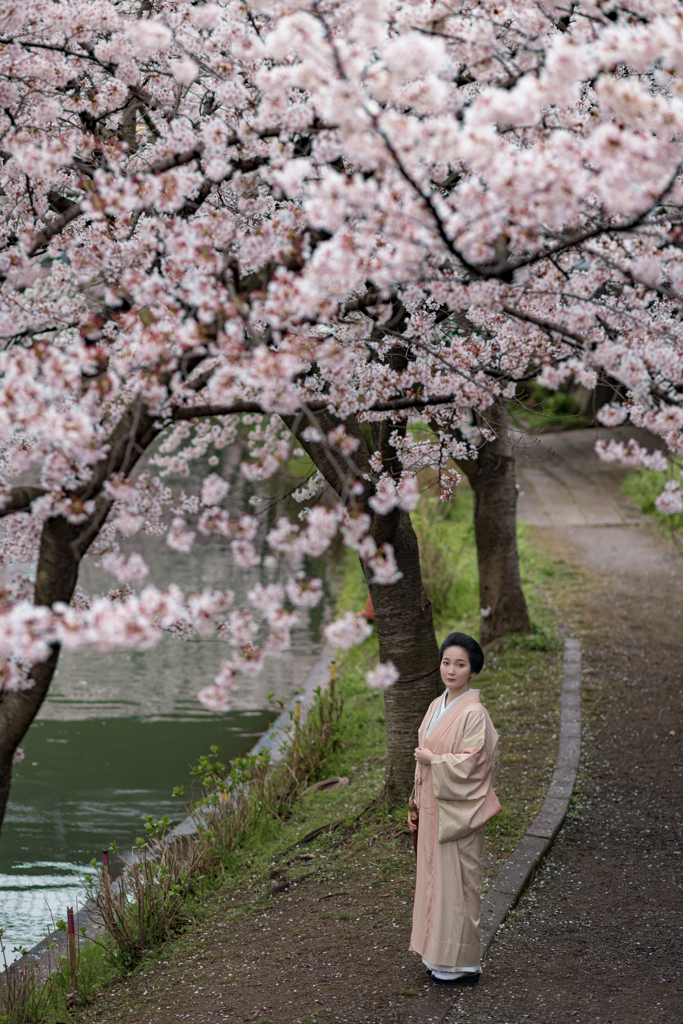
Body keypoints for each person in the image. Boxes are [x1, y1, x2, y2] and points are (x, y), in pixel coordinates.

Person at [408, 631, 501, 983]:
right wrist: (415, 801)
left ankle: (461, 962)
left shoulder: (474, 713)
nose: (451, 670)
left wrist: (436, 760)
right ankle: (436, 955)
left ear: (472, 671)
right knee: (434, 881)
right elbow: (423, 757)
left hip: (456, 810)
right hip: (432, 805)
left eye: (460, 664)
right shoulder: (438, 704)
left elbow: (475, 763)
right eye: (446, 662)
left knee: (458, 883)